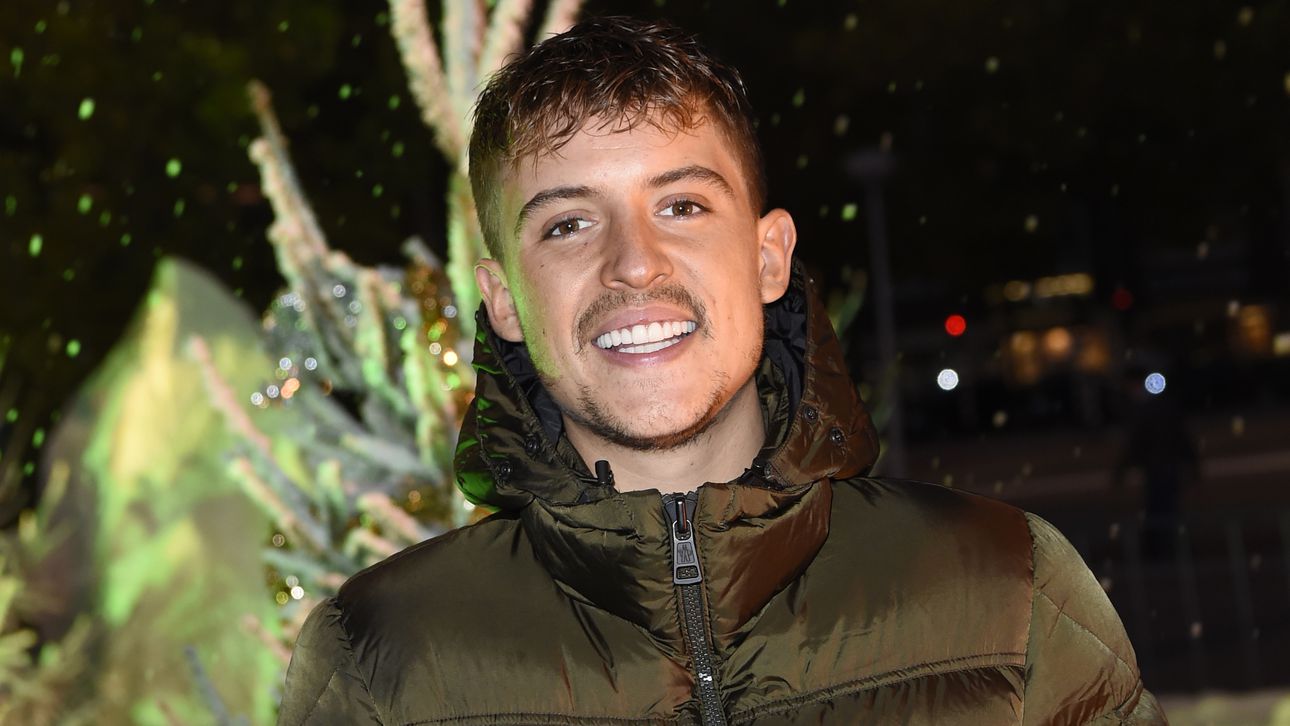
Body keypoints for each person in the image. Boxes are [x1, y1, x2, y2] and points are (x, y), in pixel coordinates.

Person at [277, 16, 1165, 725]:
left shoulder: (1005, 591)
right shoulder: (384, 659)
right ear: (504, 299)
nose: (635, 263)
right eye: (568, 224)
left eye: (682, 205)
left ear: (768, 255)